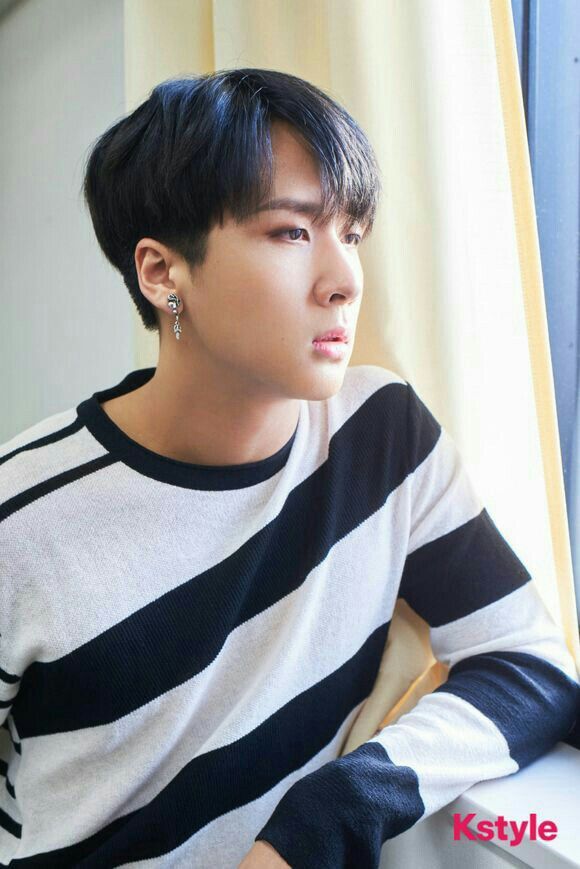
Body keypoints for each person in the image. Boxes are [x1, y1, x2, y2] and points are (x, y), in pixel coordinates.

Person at [0, 68, 578, 869]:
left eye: (351, 233)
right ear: (163, 274)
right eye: (292, 233)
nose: (343, 282)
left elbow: (530, 663)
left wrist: (336, 808)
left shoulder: (382, 436)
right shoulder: (22, 519)